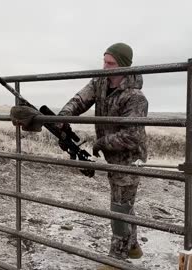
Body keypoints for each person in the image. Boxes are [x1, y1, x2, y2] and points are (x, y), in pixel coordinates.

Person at [57, 42, 148, 261]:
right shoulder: (99, 82)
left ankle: (116, 259)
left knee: (119, 207)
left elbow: (131, 136)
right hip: (112, 153)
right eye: (104, 61)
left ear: (124, 66)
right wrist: (61, 118)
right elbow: (80, 100)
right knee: (123, 203)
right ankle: (133, 247)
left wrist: (101, 143)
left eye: (111, 63)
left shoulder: (135, 97)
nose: (105, 67)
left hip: (129, 158)